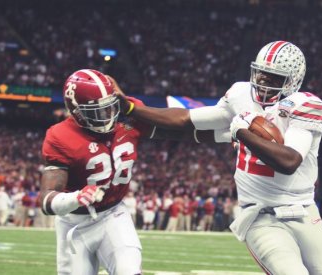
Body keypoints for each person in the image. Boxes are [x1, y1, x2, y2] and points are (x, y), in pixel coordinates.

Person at [116, 41, 322, 274]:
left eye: (274, 77)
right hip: (260, 216)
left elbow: (289, 162)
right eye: (262, 73)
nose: (264, 82)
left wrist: (241, 133)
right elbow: (187, 119)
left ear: (293, 80)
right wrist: (132, 110)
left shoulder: (305, 105)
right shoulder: (240, 95)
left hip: (303, 211)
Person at [39, 69, 207, 275]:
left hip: (113, 214)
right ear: (76, 111)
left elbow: (180, 125)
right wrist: (76, 197)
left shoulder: (126, 115)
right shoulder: (60, 136)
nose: (108, 115)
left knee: (129, 270)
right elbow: (47, 200)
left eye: (110, 107)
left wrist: (132, 109)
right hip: (74, 224)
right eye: (97, 111)